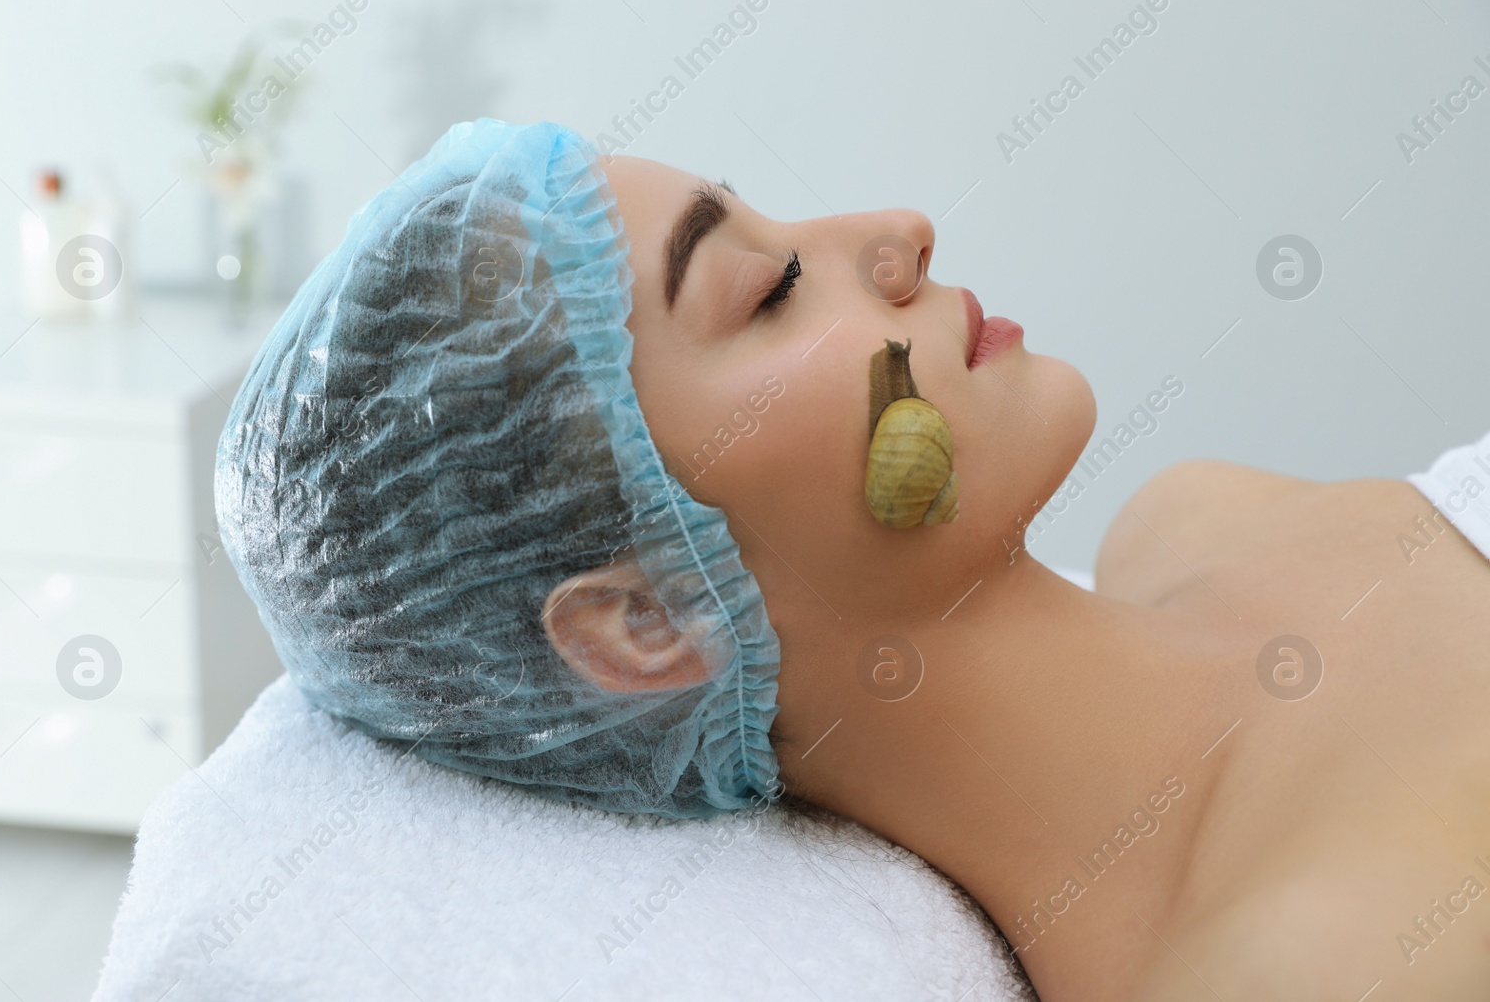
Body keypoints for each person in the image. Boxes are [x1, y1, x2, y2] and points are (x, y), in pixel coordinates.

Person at [218, 119, 1490, 1001]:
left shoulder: (1198, 514)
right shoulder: (1328, 963)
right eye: (768, 286)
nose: (898, 232)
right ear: (647, 620)